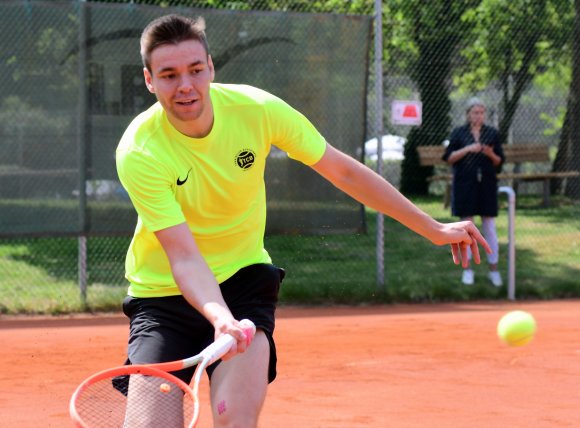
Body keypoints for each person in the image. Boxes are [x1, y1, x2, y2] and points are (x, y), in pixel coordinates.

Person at [116, 14, 492, 427]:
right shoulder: (140, 150)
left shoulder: (256, 109)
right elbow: (184, 257)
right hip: (163, 297)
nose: (185, 85)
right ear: (150, 80)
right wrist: (219, 319)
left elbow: (343, 171)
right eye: (169, 75)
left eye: (195, 70)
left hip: (242, 283)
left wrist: (433, 228)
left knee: (234, 419)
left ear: (211, 68)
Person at [443, 97, 505, 287]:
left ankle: (493, 270)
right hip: (465, 184)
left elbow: (499, 161)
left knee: (489, 227)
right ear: (468, 114)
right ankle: (467, 270)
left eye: (481, 112)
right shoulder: (459, 133)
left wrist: (489, 153)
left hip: (486, 184)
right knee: (466, 226)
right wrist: (468, 149)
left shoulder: (492, 134)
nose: (478, 116)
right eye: (475, 112)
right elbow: (449, 158)